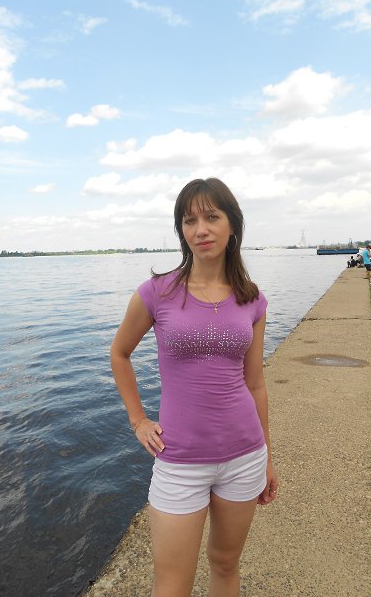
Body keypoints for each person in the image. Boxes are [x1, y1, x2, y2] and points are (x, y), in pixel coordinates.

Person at [110, 177, 278, 597]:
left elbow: (255, 384)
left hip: (245, 456)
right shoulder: (157, 292)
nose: (200, 229)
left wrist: (267, 458)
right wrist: (138, 420)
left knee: (226, 564)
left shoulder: (252, 299)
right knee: (171, 584)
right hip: (180, 462)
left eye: (211, 217)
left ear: (232, 225)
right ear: (181, 231)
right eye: (189, 221)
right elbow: (120, 353)